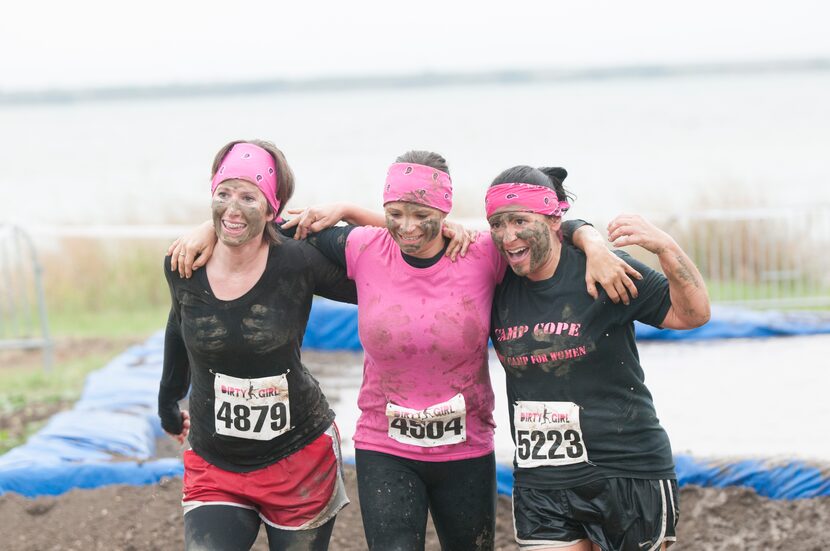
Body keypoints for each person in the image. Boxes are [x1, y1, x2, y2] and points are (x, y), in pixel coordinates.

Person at [171, 150, 640, 551]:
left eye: (423, 214)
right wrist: (207, 232)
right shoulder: (363, 248)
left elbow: (544, 226)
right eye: (395, 212)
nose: (408, 226)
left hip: (465, 447)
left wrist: (592, 240)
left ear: (445, 210)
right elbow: (259, 222)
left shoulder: (481, 253)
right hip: (385, 445)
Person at [484, 165, 710, 551]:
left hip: (627, 470)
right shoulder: (494, 279)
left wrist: (665, 248)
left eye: (520, 220)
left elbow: (693, 313)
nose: (508, 236)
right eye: (498, 224)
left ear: (554, 219)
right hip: (543, 480)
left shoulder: (603, 270)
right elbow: (430, 243)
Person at [159, 139, 360, 551]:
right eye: (223, 194)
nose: (232, 208)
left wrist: (347, 211)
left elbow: (386, 267)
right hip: (215, 460)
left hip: (298, 459)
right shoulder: (184, 262)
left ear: (272, 208)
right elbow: (179, 326)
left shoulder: (297, 261)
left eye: (248, 197)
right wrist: (168, 401)